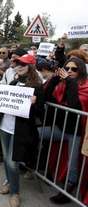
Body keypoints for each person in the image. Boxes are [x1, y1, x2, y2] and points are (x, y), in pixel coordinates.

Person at [0, 54, 44, 207]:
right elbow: (4, 100)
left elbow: (41, 112)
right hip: (5, 126)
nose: (19, 66)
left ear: (30, 66)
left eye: (23, 64)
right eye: (17, 63)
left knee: (12, 162)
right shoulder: (13, 82)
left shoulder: (37, 86)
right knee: (6, 158)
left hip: (20, 130)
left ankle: (15, 193)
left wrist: (35, 103)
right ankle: (10, 182)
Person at [41, 57, 88, 204]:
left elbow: (74, 106)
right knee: (34, 135)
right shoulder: (62, 83)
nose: (69, 71)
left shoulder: (85, 86)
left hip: (76, 132)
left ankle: (68, 191)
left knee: (72, 164)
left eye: (74, 69)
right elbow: (46, 97)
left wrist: (70, 81)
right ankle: (38, 167)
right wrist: (54, 79)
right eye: (67, 68)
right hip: (61, 128)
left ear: (81, 70)